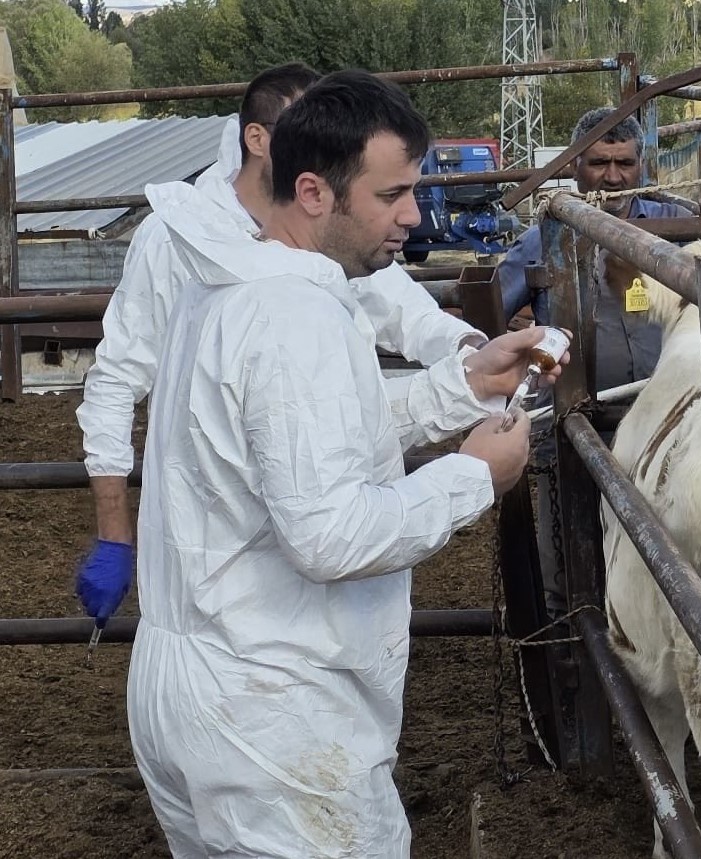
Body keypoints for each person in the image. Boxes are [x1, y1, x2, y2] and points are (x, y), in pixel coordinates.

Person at [117, 70, 563, 857]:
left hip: (195, 683)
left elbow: (289, 441)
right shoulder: (295, 315)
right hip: (277, 712)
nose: (412, 216)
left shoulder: (225, 284)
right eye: (391, 195)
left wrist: (462, 384)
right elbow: (327, 534)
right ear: (315, 192)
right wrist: (472, 478)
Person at [74, 63, 486, 632]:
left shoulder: (332, 235)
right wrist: (113, 531)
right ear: (260, 139)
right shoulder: (185, 243)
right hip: (248, 628)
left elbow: (400, 310)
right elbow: (118, 376)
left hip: (266, 630)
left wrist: (467, 355)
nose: (411, 214)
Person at [497, 106, 701, 393]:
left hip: (668, 409)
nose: (613, 178)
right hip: (573, 416)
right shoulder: (539, 240)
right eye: (599, 163)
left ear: (641, 164)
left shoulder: (677, 224)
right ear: (573, 165)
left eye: (625, 164)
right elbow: (489, 316)